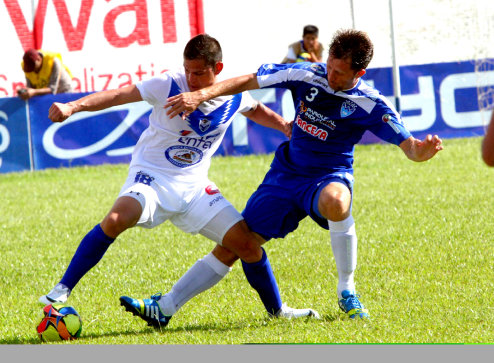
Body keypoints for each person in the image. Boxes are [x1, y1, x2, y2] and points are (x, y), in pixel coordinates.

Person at [161, 29, 443, 321]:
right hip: (286, 174)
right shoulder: (307, 73)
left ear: (360, 72)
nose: (330, 76)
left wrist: (421, 152)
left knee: (337, 201)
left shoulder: (370, 103)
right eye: (330, 66)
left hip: (328, 175)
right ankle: (166, 306)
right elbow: (250, 80)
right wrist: (203, 93)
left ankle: (347, 290)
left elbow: (410, 147)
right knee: (239, 244)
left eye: (339, 73)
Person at [39, 34, 319, 327]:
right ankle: (63, 288)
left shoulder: (234, 94)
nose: (191, 77)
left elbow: (255, 110)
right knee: (116, 218)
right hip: (152, 177)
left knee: (247, 246)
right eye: (187, 70)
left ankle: (277, 311)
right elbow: (119, 95)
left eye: (198, 72)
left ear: (217, 68)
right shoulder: (168, 84)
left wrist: (284, 125)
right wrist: (74, 107)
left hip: (195, 188)